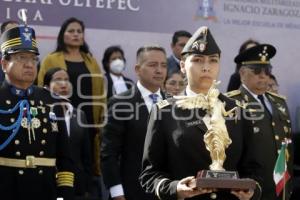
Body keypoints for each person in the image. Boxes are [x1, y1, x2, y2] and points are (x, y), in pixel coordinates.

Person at [139, 26, 263, 200]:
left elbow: (254, 170)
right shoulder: (164, 112)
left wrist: (251, 192)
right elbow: (150, 175)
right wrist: (175, 189)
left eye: (213, 60)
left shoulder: (239, 111)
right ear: (182, 65)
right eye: (197, 60)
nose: (206, 67)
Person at [0, 24, 74, 199]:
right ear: (4, 64)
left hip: (44, 190)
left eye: (33, 59)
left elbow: (65, 158)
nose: (29, 65)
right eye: (21, 58)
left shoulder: (52, 100)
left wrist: (64, 195)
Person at [37, 17, 106, 194]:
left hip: (86, 117)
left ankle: (85, 189)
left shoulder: (90, 60)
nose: (76, 34)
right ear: (62, 35)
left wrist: (101, 118)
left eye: (79, 31)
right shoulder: (51, 59)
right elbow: (41, 88)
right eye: (71, 31)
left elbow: (100, 89)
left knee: (85, 158)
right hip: (58, 116)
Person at [226, 43, 293, 200]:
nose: (263, 75)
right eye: (257, 71)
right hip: (251, 191)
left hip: (281, 187)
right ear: (242, 73)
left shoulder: (279, 103)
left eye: (267, 70)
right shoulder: (231, 103)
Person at [101, 45, 167, 200]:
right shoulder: (120, 103)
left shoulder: (175, 103)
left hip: (167, 193)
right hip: (131, 192)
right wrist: (117, 194)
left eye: (163, 65)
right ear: (137, 69)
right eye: (152, 65)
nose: (159, 70)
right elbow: (108, 153)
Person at [43, 67, 94, 199]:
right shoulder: (42, 113)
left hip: (77, 184)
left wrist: (87, 184)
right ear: (46, 87)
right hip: (49, 182)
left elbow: (86, 154)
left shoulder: (80, 114)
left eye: (66, 80)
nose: (63, 84)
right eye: (58, 80)